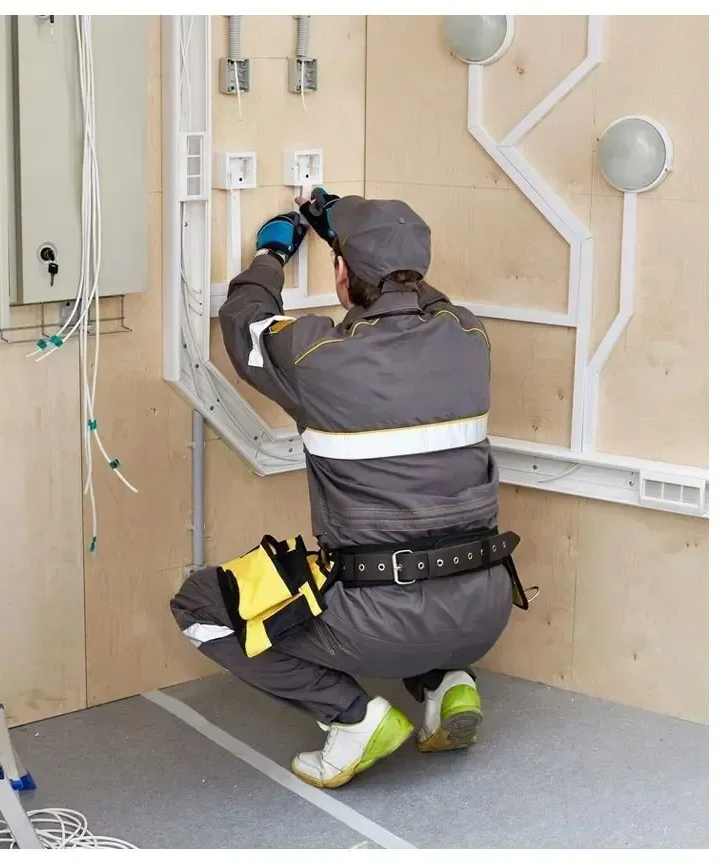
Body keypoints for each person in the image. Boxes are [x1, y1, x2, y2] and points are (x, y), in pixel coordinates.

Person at [171, 189, 528, 790]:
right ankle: (450, 685)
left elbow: (243, 321)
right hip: (483, 610)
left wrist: (271, 254)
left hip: (377, 621)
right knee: (426, 544)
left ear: (341, 273)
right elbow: (422, 294)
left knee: (201, 607)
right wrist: (344, 219)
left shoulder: (317, 357)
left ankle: (353, 718)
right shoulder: (469, 337)